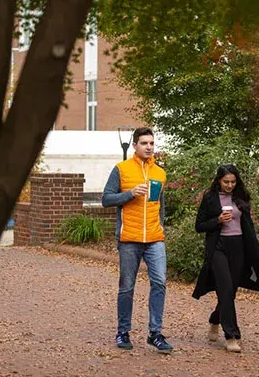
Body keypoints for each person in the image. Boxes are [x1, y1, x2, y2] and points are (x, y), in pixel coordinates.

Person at [101, 127, 173, 354]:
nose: (149, 147)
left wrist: (160, 227)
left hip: (154, 238)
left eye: (152, 143)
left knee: (160, 282)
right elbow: (106, 199)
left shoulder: (160, 173)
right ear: (135, 145)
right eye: (144, 143)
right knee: (127, 287)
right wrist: (130, 193)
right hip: (129, 239)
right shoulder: (121, 170)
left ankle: (155, 333)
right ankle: (123, 331)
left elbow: (160, 205)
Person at [192, 164, 259, 353]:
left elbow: (248, 225)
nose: (229, 185)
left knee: (230, 292)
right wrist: (217, 220)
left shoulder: (241, 198)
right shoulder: (210, 198)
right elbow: (199, 225)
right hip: (218, 247)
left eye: (233, 182)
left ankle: (214, 319)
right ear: (219, 181)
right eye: (226, 182)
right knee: (225, 287)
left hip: (239, 247)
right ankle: (231, 336)